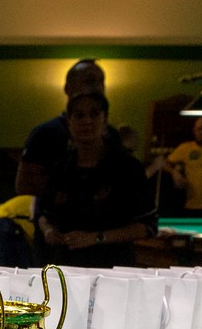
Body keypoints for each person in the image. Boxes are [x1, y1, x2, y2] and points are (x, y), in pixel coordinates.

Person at [33, 91, 157, 268]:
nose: (87, 121)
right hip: (65, 268)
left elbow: (147, 226)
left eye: (94, 114)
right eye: (79, 115)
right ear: (69, 122)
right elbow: (43, 215)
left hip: (112, 269)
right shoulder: (60, 168)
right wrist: (49, 231)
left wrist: (96, 238)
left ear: (104, 120)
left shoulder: (127, 167)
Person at [16, 58, 105, 198]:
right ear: (68, 88)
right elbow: (24, 187)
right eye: (89, 81)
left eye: (101, 81)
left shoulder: (110, 134)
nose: (97, 87)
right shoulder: (46, 134)